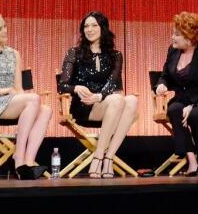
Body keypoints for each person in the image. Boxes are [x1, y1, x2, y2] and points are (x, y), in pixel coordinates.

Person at [0, 11, 53, 179]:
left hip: (11, 101)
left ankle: (28, 162)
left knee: (46, 109)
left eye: (5, 26)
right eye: (0, 28)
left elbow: (18, 88)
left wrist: (26, 103)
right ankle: (18, 159)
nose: (5, 30)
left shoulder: (14, 54)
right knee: (33, 98)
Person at [57, 12, 138, 178]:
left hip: (106, 104)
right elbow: (62, 85)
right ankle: (98, 156)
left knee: (131, 100)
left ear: (103, 28)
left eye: (94, 25)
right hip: (83, 106)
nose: (89, 29)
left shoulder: (115, 55)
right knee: (116, 99)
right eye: (86, 26)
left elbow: (113, 84)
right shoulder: (74, 53)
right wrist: (76, 88)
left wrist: (100, 96)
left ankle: (108, 158)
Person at [155, 12, 198, 175]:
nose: (172, 37)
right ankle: (192, 160)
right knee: (174, 110)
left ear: (190, 36)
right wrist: (161, 84)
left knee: (195, 115)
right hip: (182, 100)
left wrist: (193, 105)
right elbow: (165, 76)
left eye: (176, 34)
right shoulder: (173, 51)